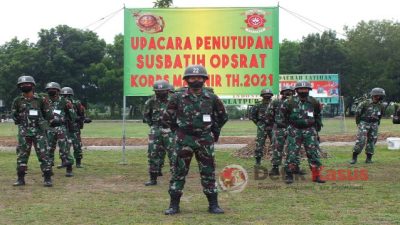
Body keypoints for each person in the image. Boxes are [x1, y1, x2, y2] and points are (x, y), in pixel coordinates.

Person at [163, 65, 228, 215]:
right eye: (192, 77)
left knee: (208, 172)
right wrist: (178, 132)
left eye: (199, 77)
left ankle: (213, 205)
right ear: (186, 80)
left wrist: (213, 130)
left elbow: (222, 116)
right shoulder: (177, 97)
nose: (196, 80)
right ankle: (174, 205)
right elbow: (167, 117)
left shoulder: (211, 97)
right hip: (184, 139)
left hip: (205, 139)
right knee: (178, 171)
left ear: (204, 79)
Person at [11, 75, 54, 187]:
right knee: (22, 156)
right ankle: (20, 179)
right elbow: (15, 116)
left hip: (39, 133)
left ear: (33, 86)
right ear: (19, 87)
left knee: (44, 155)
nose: (25, 86)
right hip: (24, 133)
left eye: (27, 84)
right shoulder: (17, 101)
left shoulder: (41, 99)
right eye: (22, 85)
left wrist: (43, 124)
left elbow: (49, 115)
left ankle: (47, 178)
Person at [281, 80, 325, 184]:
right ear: (297, 90)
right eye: (301, 89)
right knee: (292, 153)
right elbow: (283, 116)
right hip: (294, 130)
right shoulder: (289, 102)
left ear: (309, 90)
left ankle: (316, 176)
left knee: (313, 153)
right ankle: (289, 175)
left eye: (305, 89)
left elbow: (318, 115)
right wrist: (288, 128)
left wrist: (316, 129)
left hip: (310, 130)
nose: (303, 90)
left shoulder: (314, 102)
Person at [143, 80, 175, 186]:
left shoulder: (173, 100)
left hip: (170, 130)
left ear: (167, 91)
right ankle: (153, 179)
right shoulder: (151, 101)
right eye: (157, 91)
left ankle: (175, 179)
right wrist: (153, 126)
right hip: (155, 129)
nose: (160, 93)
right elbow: (146, 115)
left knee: (173, 155)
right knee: (153, 154)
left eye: (162, 91)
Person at [45, 82, 76, 177]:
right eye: (49, 90)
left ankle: (69, 168)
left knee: (65, 148)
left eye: (53, 89)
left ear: (58, 91)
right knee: (49, 149)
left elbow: (72, 115)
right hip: (49, 128)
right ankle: (48, 169)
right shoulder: (45, 101)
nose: (51, 91)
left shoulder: (65, 101)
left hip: (61, 127)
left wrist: (68, 121)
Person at [350, 88, 385, 164]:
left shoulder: (381, 105)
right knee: (361, 140)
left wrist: (377, 123)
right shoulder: (365, 103)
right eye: (380, 95)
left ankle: (369, 159)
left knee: (372, 141)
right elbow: (357, 114)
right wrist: (358, 123)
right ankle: (354, 158)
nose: (382, 97)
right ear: (376, 95)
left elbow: (380, 115)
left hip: (374, 124)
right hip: (364, 123)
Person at [267, 85, 295, 175]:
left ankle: (294, 167)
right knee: (276, 148)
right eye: (285, 91)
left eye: (290, 91)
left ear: (293, 92)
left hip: (292, 128)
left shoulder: (295, 102)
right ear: (282, 92)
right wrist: (274, 124)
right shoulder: (276, 102)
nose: (288, 93)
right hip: (278, 128)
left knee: (292, 149)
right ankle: (275, 168)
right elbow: (269, 114)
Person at [60, 87, 86, 168]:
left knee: (77, 145)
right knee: (64, 146)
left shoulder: (77, 103)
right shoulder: (59, 103)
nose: (66, 97)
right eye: (64, 95)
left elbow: (82, 114)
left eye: (68, 95)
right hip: (64, 128)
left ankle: (78, 163)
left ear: (71, 95)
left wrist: (81, 119)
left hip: (74, 128)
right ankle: (64, 162)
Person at [250, 88, 274, 166]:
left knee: (275, 144)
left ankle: (275, 162)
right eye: (265, 95)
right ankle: (258, 161)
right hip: (262, 126)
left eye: (268, 95)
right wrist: (259, 124)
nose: (267, 96)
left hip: (272, 126)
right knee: (259, 145)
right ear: (262, 96)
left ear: (271, 96)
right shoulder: (258, 105)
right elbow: (253, 116)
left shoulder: (275, 104)